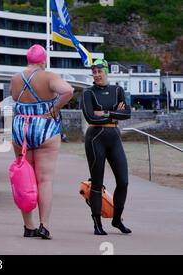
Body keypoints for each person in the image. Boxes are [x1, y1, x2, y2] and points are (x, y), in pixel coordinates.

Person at [10, 44, 74, 239]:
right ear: (43, 61)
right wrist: (54, 109)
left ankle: (28, 226)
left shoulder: (16, 78)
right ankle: (44, 225)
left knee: (24, 177)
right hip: (45, 127)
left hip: (21, 128)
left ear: (28, 60)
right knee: (44, 179)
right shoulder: (49, 76)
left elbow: (14, 97)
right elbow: (68, 91)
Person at [82, 59, 132, 235]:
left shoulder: (118, 90)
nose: (96, 75)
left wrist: (104, 113)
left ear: (106, 71)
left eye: (99, 71)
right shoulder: (88, 93)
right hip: (95, 138)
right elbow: (90, 117)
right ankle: (97, 223)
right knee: (97, 183)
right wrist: (114, 114)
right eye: (94, 72)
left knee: (123, 181)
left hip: (114, 137)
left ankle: (117, 219)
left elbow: (127, 113)